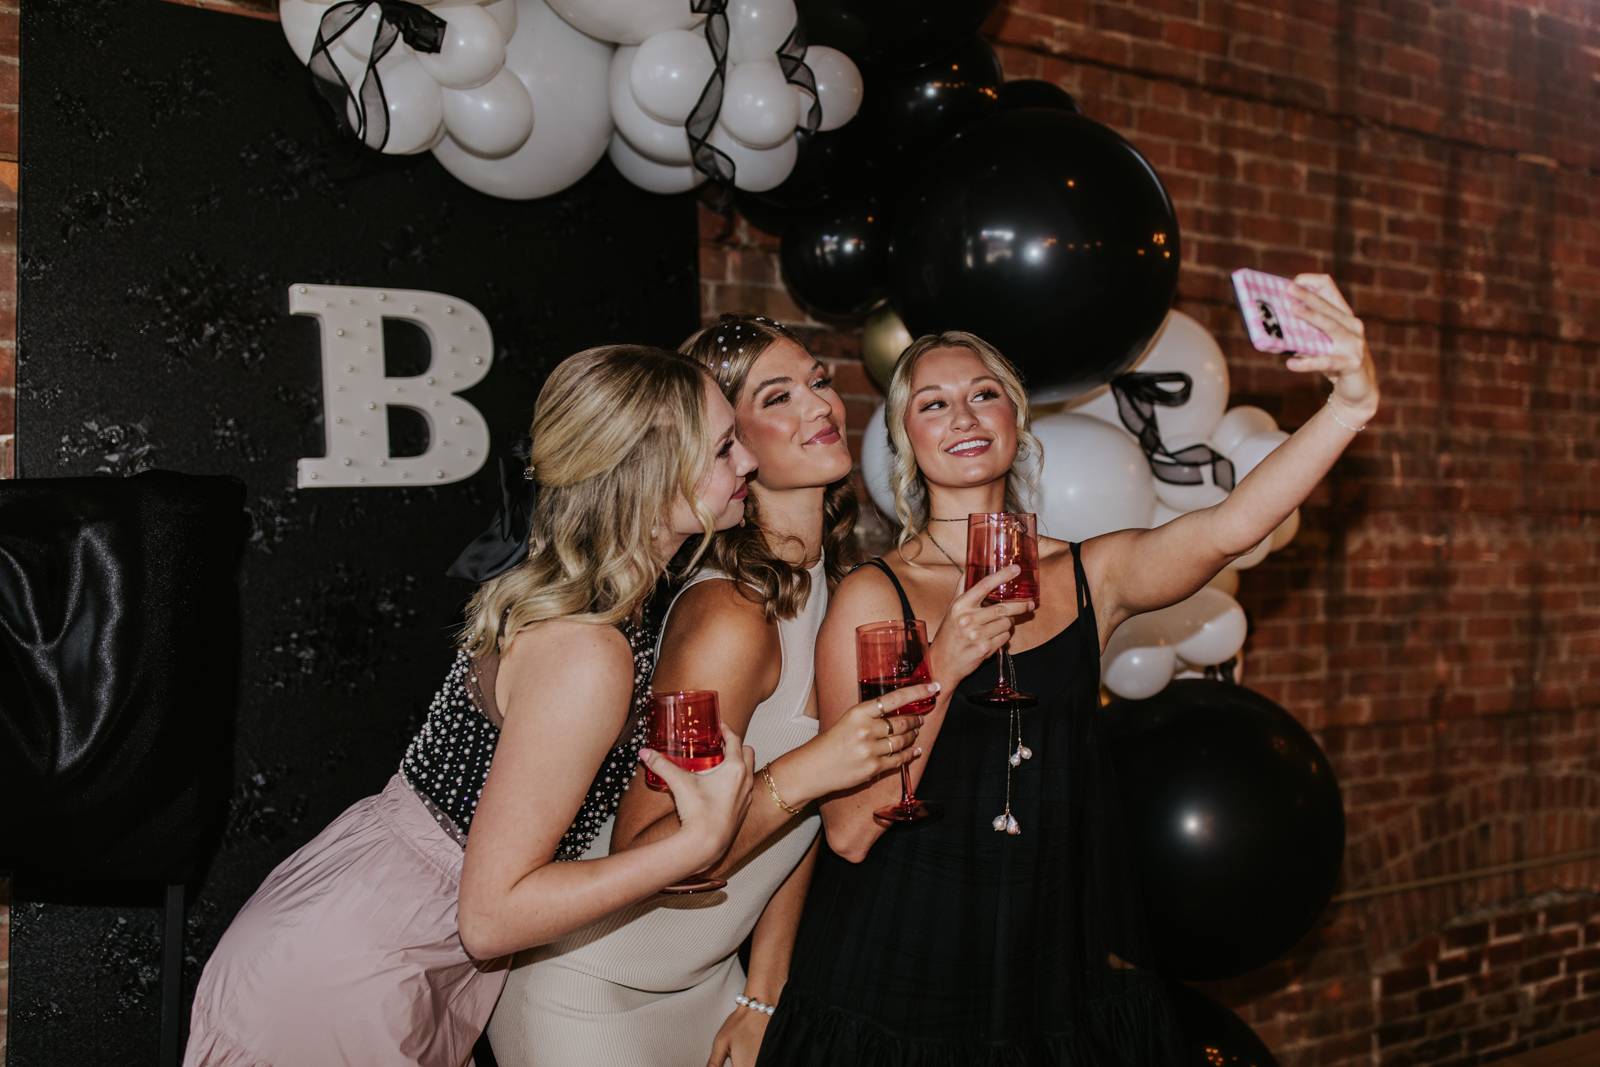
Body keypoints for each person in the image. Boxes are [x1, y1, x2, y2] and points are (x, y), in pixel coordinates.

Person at [758, 276, 1381, 1065]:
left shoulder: (1090, 575)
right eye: (934, 403)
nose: (964, 416)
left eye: (984, 394)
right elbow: (850, 830)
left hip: (1044, 965)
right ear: (905, 440)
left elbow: (1230, 528)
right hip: (899, 965)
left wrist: (1348, 405)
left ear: (1016, 418)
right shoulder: (877, 596)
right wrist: (945, 662)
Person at [185, 345, 761, 1067]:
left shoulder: (599, 607)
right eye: (724, 447)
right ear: (646, 475)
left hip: (386, 923)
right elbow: (490, 917)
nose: (748, 461)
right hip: (362, 960)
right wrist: (692, 844)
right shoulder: (588, 650)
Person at [488, 316, 950, 1067]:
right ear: (725, 443)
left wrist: (764, 989)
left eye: (818, 381)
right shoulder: (730, 614)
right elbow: (648, 844)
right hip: (595, 990)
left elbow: (803, 821)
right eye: (778, 396)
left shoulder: (837, 587)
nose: (821, 405)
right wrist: (808, 770)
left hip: (712, 982)